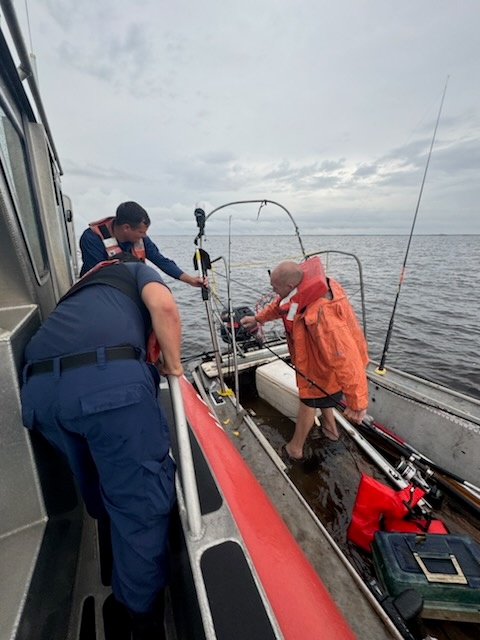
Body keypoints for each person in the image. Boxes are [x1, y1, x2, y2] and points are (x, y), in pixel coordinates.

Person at [20, 253, 182, 640]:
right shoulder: (138, 270)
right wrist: (174, 367)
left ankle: (110, 554)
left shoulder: (81, 290)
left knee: (93, 477)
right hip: (108, 388)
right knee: (139, 506)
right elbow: (164, 307)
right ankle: (138, 619)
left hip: (39, 395)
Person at [241, 258, 369, 461]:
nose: (273, 290)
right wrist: (258, 319)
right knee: (321, 394)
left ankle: (295, 448)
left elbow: (346, 359)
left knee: (308, 401)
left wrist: (357, 402)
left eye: (275, 287)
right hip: (317, 359)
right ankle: (330, 430)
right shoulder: (300, 292)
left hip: (325, 365)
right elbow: (281, 306)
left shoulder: (323, 313)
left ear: (290, 285)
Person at [79, 200, 204, 287]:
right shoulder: (92, 238)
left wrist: (190, 280)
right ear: (126, 228)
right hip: (99, 288)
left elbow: (161, 260)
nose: (144, 236)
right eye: (141, 232)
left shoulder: (141, 239)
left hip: (127, 286)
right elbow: (96, 276)